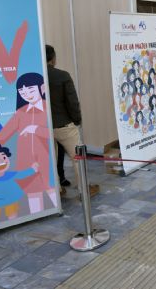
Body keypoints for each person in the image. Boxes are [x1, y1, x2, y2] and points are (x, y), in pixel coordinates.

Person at [0, 72, 55, 214]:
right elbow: (3, 135)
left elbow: (54, 133)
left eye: (31, 90)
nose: (26, 94)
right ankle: (37, 219)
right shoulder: (21, 112)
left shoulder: (49, 108)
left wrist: (36, 129)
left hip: (47, 160)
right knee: (33, 196)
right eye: (22, 91)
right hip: (26, 164)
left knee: (52, 190)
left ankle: (55, 212)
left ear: (42, 88)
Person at [45, 45, 99, 198]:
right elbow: (72, 102)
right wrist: (77, 119)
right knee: (77, 158)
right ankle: (84, 190)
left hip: (44, 126)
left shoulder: (36, 76)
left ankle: (58, 191)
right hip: (64, 126)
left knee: (51, 161)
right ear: (53, 58)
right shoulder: (62, 76)